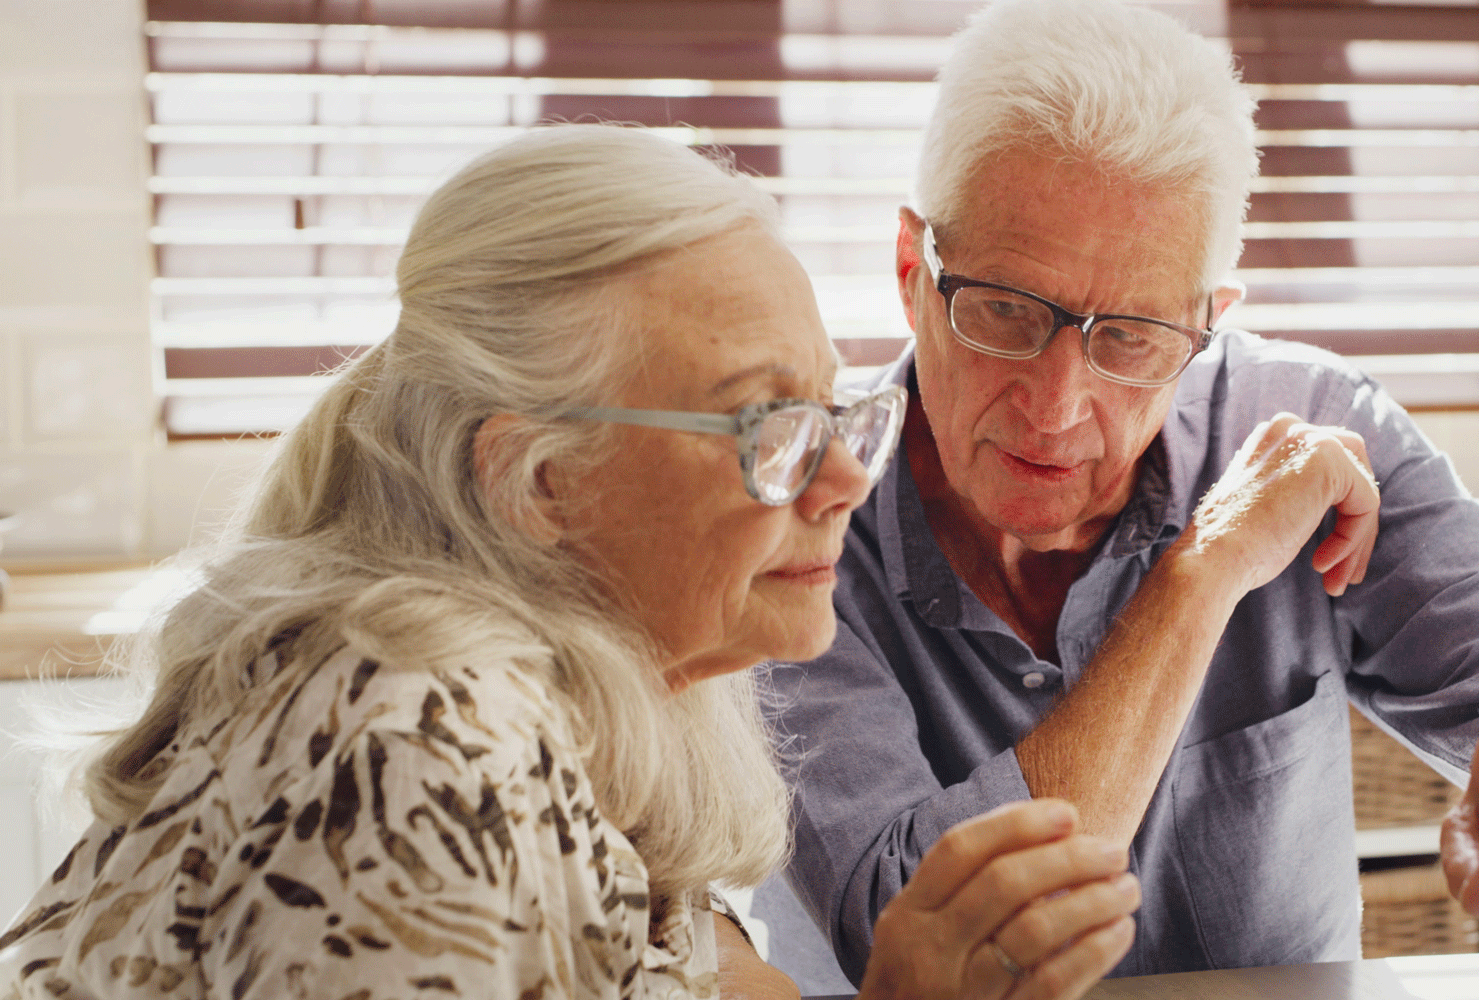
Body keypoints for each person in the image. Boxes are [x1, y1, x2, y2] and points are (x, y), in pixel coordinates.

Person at [0, 125, 1140, 1000]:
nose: (844, 481)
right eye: (764, 429)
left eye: (832, 414)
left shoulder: (606, 706)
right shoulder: (407, 750)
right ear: (543, 482)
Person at [765, 0, 1479, 982]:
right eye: (1003, 310)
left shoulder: (1307, 420)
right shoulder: (792, 505)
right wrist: (1203, 573)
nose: (1054, 407)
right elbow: (920, 945)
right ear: (913, 270)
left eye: (1129, 337)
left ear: (1207, 322)